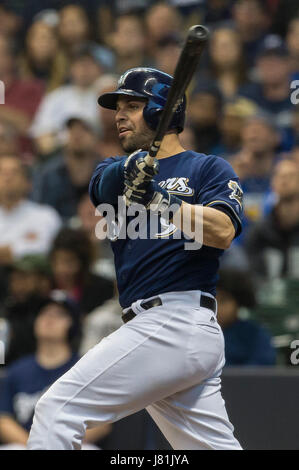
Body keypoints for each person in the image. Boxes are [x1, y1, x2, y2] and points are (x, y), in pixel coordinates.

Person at [27, 67, 243, 450]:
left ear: (163, 111)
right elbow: (103, 187)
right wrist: (132, 170)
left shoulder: (207, 168)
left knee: (57, 409)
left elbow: (223, 231)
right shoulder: (111, 170)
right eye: (117, 107)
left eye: (132, 105)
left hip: (176, 318)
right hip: (160, 330)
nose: (119, 115)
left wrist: (162, 200)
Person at [0, 291, 111, 449]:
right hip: (25, 445)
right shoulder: (16, 370)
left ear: (72, 324)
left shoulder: (86, 367)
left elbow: (103, 424)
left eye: (59, 314)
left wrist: (58, 445)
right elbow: (3, 420)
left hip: (72, 445)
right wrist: (36, 446)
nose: (49, 318)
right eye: (44, 313)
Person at [32, 117, 101, 220]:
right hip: (57, 231)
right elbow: (38, 210)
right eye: (71, 129)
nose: (77, 135)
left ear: (96, 137)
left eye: (84, 129)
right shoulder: (47, 172)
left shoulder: (107, 172)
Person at [0, 154, 62, 266]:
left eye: (14, 173)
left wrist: (10, 251)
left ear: (28, 183)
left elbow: (45, 251)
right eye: (2, 173)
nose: (7, 178)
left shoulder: (46, 216)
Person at [217, 269, 276, 366]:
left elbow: (263, 368)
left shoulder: (255, 334)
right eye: (211, 301)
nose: (216, 308)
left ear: (239, 302)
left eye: (223, 301)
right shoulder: (197, 332)